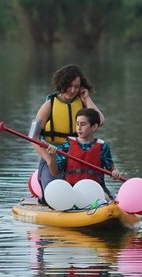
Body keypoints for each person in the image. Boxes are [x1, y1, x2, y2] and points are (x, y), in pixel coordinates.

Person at [30, 64, 103, 192]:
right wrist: (48, 159)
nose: (73, 90)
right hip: (53, 155)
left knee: (84, 191)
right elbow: (33, 137)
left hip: (76, 157)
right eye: (69, 86)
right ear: (61, 84)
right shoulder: (49, 105)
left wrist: (86, 97)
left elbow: (100, 121)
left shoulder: (82, 102)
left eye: (77, 86)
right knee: (53, 191)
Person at [32, 108, 126, 198]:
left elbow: (111, 168)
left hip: (95, 190)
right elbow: (54, 172)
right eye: (77, 124)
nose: (79, 128)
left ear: (94, 127)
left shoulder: (103, 146)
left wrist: (115, 172)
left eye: (83, 124)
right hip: (72, 190)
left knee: (105, 198)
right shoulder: (68, 144)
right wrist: (52, 156)